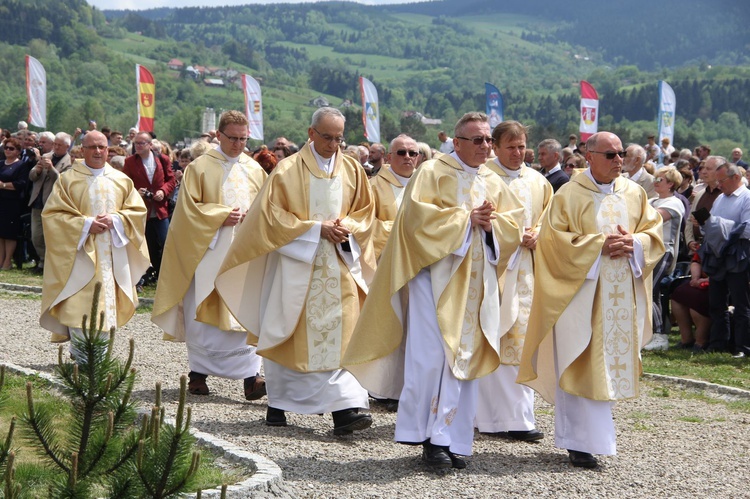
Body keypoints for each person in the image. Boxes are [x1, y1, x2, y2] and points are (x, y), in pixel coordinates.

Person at [343, 112, 525, 470]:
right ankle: (427, 437)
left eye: (488, 140)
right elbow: (415, 221)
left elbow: (512, 224)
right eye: (477, 140)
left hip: (475, 284)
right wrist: (465, 220)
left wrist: (490, 228)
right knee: (432, 361)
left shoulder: (492, 179)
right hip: (433, 282)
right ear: (456, 143)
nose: (485, 147)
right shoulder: (432, 172)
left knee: (464, 360)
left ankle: (454, 439)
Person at [214, 107, 376, 435]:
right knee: (289, 332)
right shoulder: (287, 170)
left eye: (339, 138)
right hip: (297, 266)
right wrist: (317, 229)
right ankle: (280, 402)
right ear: (311, 133)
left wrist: (347, 226)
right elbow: (270, 218)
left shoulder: (353, 171)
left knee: (342, 333)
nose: (333, 144)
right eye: (327, 137)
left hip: (340, 264)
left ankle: (344, 409)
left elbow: (366, 212)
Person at [518, 131, 664, 469]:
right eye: (610, 155)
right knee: (580, 360)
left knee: (607, 365)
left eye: (621, 154)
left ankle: (597, 439)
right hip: (580, 295)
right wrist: (596, 246)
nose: (618, 161)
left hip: (618, 295)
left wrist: (636, 244)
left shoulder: (635, 193)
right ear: (590, 156)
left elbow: (653, 232)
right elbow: (553, 242)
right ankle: (577, 441)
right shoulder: (568, 194)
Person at [152, 111, 269, 400]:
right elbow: (188, 212)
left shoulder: (254, 170)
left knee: (244, 310)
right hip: (209, 251)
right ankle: (198, 374)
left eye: (244, 139)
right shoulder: (200, 168)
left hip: (244, 253)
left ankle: (251, 378)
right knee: (203, 308)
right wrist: (219, 216)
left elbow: (267, 207)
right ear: (219, 135)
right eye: (233, 138)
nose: (239, 144)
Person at [39, 131, 150, 354]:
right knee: (78, 302)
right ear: (83, 150)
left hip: (111, 256)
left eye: (102, 147)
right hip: (80, 254)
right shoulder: (68, 180)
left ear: (108, 149)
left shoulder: (121, 180)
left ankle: (100, 360)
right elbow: (52, 215)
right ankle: (81, 356)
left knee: (106, 305)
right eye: (92, 147)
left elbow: (137, 212)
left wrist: (116, 219)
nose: (98, 152)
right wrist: (86, 224)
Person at [476, 121, 552, 442]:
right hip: (492, 272)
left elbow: (552, 220)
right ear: (494, 146)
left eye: (522, 147)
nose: (518, 153)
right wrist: (509, 235)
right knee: (491, 340)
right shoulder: (482, 177)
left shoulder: (538, 181)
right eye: (511, 147)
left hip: (527, 274)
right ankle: (485, 417)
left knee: (520, 344)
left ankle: (518, 418)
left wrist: (540, 235)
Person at [699, 160, 750, 357]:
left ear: (736, 177)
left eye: (722, 181)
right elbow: (711, 224)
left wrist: (718, 225)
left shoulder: (746, 197)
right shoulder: (721, 198)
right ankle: (718, 342)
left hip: (739, 254)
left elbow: (747, 228)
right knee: (716, 301)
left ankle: (742, 347)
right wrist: (704, 223)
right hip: (718, 254)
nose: (719, 185)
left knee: (740, 303)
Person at [123, 132, 176, 285]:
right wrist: (135, 192)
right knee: (149, 244)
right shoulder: (130, 162)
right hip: (142, 209)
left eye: (141, 143)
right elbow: (126, 183)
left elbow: (171, 179)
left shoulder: (162, 159)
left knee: (166, 241)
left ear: (150, 145)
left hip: (160, 209)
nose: (138, 146)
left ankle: (168, 276)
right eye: (136, 143)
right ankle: (151, 275)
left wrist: (164, 191)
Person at [643, 167, 685, 351]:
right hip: (646, 250)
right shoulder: (651, 200)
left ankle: (660, 335)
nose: (655, 182)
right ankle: (651, 332)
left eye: (660, 180)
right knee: (650, 291)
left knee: (650, 290)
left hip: (663, 251)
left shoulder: (674, 203)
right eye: (655, 179)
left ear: (670, 183)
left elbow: (653, 219)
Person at [28, 132, 73, 274]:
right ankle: (42, 260)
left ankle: (48, 264)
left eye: (59, 145)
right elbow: (32, 176)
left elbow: (64, 181)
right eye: (55, 144)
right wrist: (37, 170)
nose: (56, 147)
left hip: (53, 203)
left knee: (51, 236)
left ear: (67, 146)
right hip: (37, 201)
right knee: (36, 236)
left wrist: (52, 168)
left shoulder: (70, 162)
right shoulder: (46, 156)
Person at [370, 134, 419, 259]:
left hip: (420, 259)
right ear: (389, 157)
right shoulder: (372, 186)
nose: (407, 157)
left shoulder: (426, 184)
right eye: (401, 152)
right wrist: (401, 228)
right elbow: (364, 222)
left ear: (417, 158)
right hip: (388, 258)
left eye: (412, 153)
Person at [0, 137, 32, 269]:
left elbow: (21, 184)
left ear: (18, 151)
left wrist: (3, 185)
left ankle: (8, 261)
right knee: (0, 234)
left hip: (13, 203)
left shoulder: (21, 165)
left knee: (9, 233)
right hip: (1, 201)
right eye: (6, 147)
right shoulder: (1, 163)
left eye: (11, 148)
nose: (7, 150)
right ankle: (1, 260)